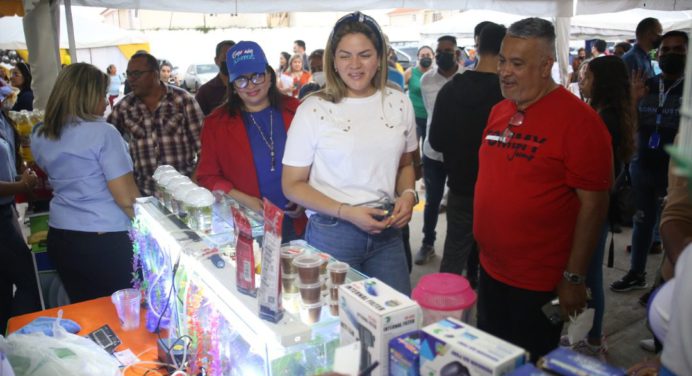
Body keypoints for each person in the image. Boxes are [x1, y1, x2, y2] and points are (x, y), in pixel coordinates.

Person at [473, 18, 612, 361]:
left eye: (517, 64)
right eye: (503, 60)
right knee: (490, 358)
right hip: (490, 270)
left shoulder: (581, 123)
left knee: (527, 363)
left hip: (537, 283)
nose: (504, 71)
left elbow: (594, 206)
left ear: (546, 65)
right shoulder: (498, 111)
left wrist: (575, 277)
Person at [282, 11, 418, 296]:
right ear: (334, 60)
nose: (355, 65)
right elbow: (292, 184)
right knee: (332, 327)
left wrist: (408, 195)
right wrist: (348, 212)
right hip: (333, 233)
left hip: (387, 230)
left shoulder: (398, 102)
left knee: (395, 320)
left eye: (365, 55)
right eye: (345, 56)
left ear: (380, 57)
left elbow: (406, 164)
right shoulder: (313, 109)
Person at [31, 63, 141, 303]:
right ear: (85, 96)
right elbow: (126, 199)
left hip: (61, 235)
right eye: (101, 95)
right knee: (121, 312)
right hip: (104, 240)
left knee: (86, 309)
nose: (105, 102)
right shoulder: (104, 133)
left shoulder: (40, 133)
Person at [196, 41, 306, 241]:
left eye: (257, 76)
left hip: (298, 220)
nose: (251, 86)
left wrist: (306, 196)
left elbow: (319, 160)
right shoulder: (216, 123)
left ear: (269, 76)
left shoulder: (297, 110)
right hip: (250, 222)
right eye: (241, 80)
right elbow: (207, 176)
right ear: (233, 86)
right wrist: (245, 200)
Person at [428, 23, 506, 289]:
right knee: (495, 262)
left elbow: (435, 141)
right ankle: (489, 320)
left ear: (477, 48)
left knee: (453, 255)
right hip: (497, 194)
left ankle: (444, 316)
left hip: (460, 187)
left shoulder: (450, 89)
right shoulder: (507, 96)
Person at [566, 55, 635, 358]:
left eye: (587, 75)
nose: (582, 80)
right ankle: (590, 336)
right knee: (589, 274)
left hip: (594, 211)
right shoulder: (609, 112)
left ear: (601, 81)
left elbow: (602, 178)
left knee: (587, 276)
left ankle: (592, 339)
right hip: (599, 209)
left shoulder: (601, 118)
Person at [611, 31, 688, 293]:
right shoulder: (646, 84)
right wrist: (633, 102)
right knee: (642, 223)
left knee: (672, 227)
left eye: (678, 49)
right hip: (643, 165)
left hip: (677, 173)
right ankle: (636, 273)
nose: (670, 55)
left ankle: (665, 285)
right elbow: (629, 127)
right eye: (665, 50)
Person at [108, 52, 204, 196]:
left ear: (154, 74)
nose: (131, 79)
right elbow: (105, 142)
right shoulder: (124, 107)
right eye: (129, 74)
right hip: (144, 194)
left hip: (184, 193)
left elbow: (205, 150)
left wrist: (192, 187)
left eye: (137, 74)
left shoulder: (183, 101)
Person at [414, 35, 464, 266]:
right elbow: (430, 112)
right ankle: (428, 243)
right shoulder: (426, 80)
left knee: (458, 202)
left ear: (456, 53)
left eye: (448, 50)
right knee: (432, 200)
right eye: (440, 50)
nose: (444, 54)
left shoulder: (466, 79)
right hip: (433, 151)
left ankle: (459, 250)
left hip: (460, 152)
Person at [0, 79, 40, 335]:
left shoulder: (5, 121)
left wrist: (18, 180)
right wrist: (21, 185)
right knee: (29, 280)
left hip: (6, 211)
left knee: (5, 283)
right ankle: (17, 337)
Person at [196, 40, 236, 116]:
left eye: (233, 57)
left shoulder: (246, 87)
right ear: (216, 60)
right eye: (225, 57)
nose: (230, 61)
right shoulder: (205, 92)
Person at [404, 45, 434, 142]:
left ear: (433, 56)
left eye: (428, 55)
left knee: (428, 148)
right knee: (413, 148)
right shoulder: (410, 72)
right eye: (423, 55)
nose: (425, 57)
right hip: (414, 118)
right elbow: (398, 90)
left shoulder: (437, 73)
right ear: (418, 57)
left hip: (432, 117)